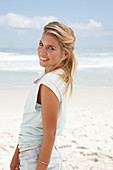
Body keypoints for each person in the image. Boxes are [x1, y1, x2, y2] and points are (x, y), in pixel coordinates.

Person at [10, 21, 77, 170]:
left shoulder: (49, 82)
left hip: (36, 156)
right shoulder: (57, 76)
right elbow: (31, 124)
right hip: (32, 152)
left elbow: (50, 134)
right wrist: (17, 154)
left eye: (51, 48)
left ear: (65, 54)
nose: (42, 51)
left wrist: (40, 167)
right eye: (41, 44)